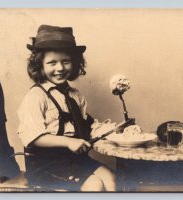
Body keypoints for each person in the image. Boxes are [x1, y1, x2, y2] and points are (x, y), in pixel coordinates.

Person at [17, 25, 116, 192]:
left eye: (66, 61)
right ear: (40, 66)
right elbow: (33, 137)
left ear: (75, 63)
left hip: (75, 159)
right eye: (52, 63)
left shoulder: (75, 95)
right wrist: (69, 141)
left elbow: (86, 125)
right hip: (46, 165)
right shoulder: (36, 97)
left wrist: (115, 131)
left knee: (112, 177)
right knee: (94, 185)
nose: (60, 68)